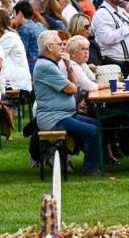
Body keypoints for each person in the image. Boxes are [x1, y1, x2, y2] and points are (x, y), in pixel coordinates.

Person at [31, 33, 101, 176]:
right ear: (50, 47)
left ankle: (93, 162)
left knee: (97, 124)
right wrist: (69, 71)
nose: (63, 47)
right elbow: (72, 89)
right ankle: (90, 168)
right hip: (54, 118)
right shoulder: (46, 66)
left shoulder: (52, 64)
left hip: (64, 114)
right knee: (93, 131)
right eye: (60, 44)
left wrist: (69, 65)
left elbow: (73, 86)